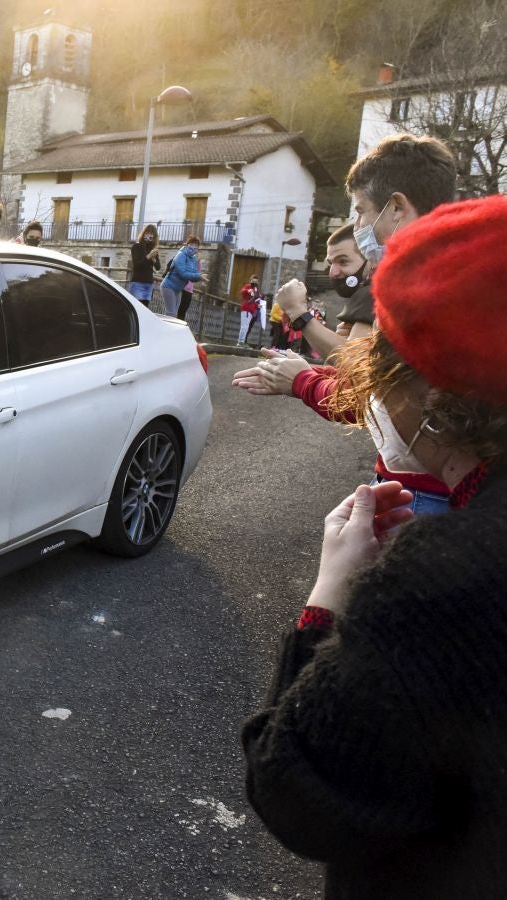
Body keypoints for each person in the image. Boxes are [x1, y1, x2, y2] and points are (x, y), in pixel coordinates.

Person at [242, 194, 507, 899]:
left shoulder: (447, 576)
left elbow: (292, 782)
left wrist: (328, 594)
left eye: (384, 358)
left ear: (432, 391)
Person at [232, 132, 458, 514]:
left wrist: (301, 380)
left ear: (397, 207)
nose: (357, 224)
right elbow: (388, 388)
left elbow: (373, 402)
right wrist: (305, 371)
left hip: (423, 497)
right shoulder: (450, 274)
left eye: (360, 209)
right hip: (421, 488)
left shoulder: (419, 292)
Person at [274, 225, 373, 359]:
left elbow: (352, 361)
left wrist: (298, 312)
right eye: (331, 263)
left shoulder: (373, 293)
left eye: (343, 261)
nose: (333, 272)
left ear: (371, 260)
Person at [160, 234, 205, 317]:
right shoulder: (181, 255)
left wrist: (200, 277)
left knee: (174, 314)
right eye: (191, 245)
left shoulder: (193, 259)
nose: (193, 248)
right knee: (171, 313)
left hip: (177, 289)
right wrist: (198, 276)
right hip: (168, 286)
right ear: (187, 245)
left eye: (196, 247)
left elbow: (193, 275)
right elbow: (183, 274)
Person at [127, 224, 160, 306]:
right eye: (147, 233)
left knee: (145, 309)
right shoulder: (136, 246)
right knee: (136, 307)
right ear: (144, 233)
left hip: (149, 283)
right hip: (138, 282)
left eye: (152, 234)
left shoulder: (153, 249)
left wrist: (153, 259)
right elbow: (137, 265)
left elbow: (158, 267)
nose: (149, 235)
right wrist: (148, 256)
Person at [237, 275, 260, 346]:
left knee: (246, 326)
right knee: (244, 326)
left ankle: (242, 341)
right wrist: (247, 290)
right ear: (251, 280)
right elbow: (242, 291)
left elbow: (254, 301)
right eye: (253, 280)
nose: (254, 282)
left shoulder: (256, 290)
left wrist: (257, 305)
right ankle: (240, 341)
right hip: (246, 308)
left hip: (251, 310)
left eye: (256, 281)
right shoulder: (248, 286)